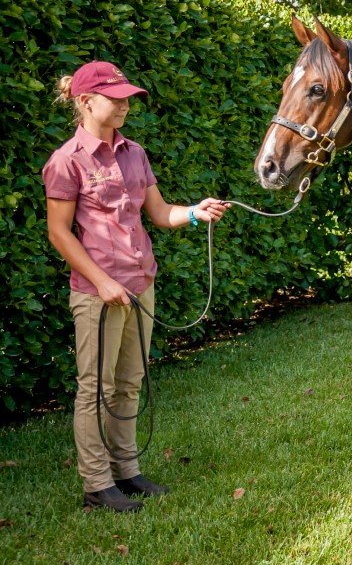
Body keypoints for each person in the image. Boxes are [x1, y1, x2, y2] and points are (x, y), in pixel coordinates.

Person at [43, 61, 230, 513]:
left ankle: (126, 470)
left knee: (129, 383)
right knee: (96, 389)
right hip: (98, 294)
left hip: (140, 283)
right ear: (86, 101)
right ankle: (96, 484)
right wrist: (102, 281)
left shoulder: (135, 153)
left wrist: (195, 212)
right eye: (116, 98)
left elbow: (160, 213)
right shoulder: (66, 161)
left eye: (128, 98)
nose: (125, 106)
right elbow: (59, 232)